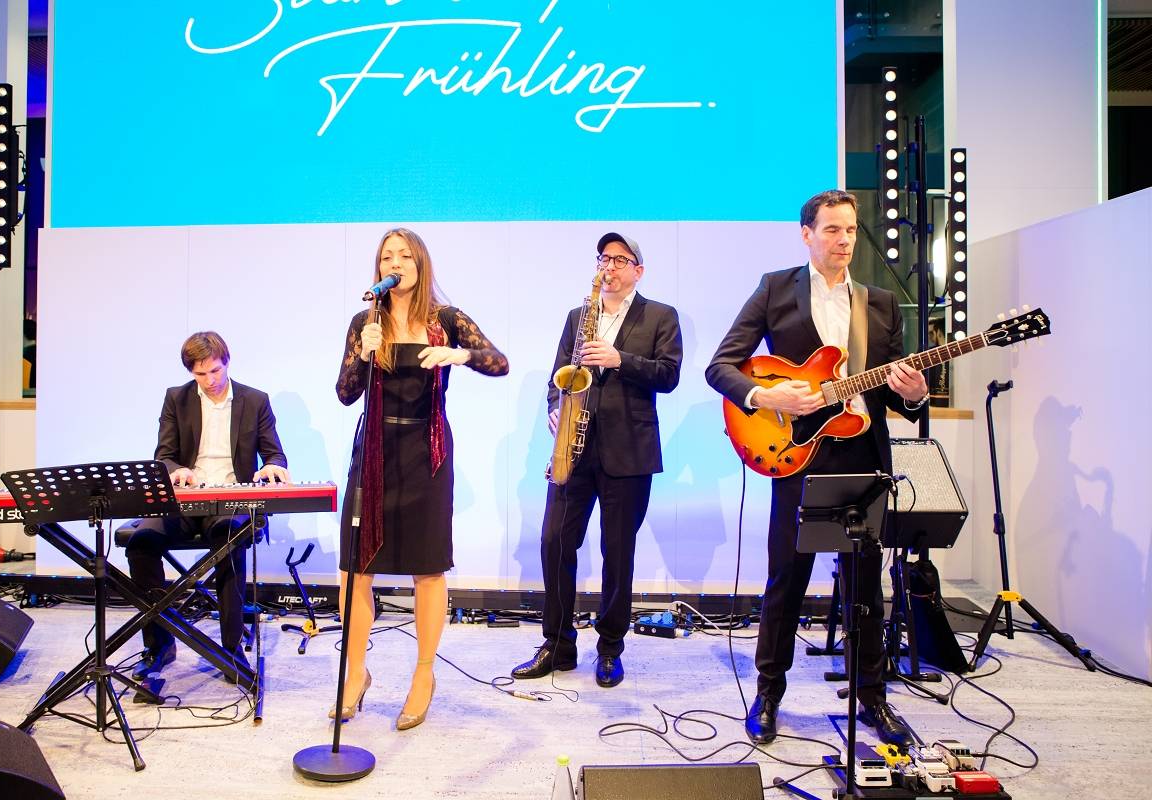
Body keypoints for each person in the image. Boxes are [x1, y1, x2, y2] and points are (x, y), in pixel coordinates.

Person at [706, 190, 928, 748]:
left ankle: (872, 697)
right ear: (806, 234)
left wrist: (915, 394)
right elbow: (721, 366)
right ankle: (768, 694)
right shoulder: (775, 288)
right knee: (787, 578)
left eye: (850, 230)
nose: (844, 240)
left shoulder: (880, 303)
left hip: (863, 454)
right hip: (796, 453)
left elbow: (893, 392)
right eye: (832, 229)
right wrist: (766, 397)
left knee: (865, 583)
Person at [335, 228, 508, 728]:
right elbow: (345, 393)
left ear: (420, 263)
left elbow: (499, 362)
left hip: (425, 454)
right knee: (354, 569)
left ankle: (424, 674)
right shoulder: (365, 322)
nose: (395, 263)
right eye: (387, 256)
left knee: (427, 569)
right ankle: (355, 672)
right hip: (373, 453)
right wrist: (364, 354)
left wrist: (460, 355)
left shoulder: (446, 320)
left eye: (404, 256)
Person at [511, 232, 682, 688]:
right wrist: (556, 408)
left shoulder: (661, 315)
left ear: (638, 271)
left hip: (629, 452)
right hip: (574, 446)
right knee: (554, 542)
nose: (610, 267)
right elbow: (559, 375)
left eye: (620, 260)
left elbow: (668, 375)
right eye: (604, 258)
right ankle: (558, 644)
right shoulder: (578, 316)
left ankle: (610, 648)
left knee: (617, 552)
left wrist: (619, 358)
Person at [126, 331, 290, 683]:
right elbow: (164, 456)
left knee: (228, 539)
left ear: (226, 363)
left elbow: (275, 453)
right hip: (185, 501)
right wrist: (176, 470)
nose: (210, 380)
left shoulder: (255, 400)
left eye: (215, 371)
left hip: (229, 500)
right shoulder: (176, 398)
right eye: (200, 374)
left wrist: (272, 467)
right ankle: (159, 644)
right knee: (141, 543)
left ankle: (230, 649)